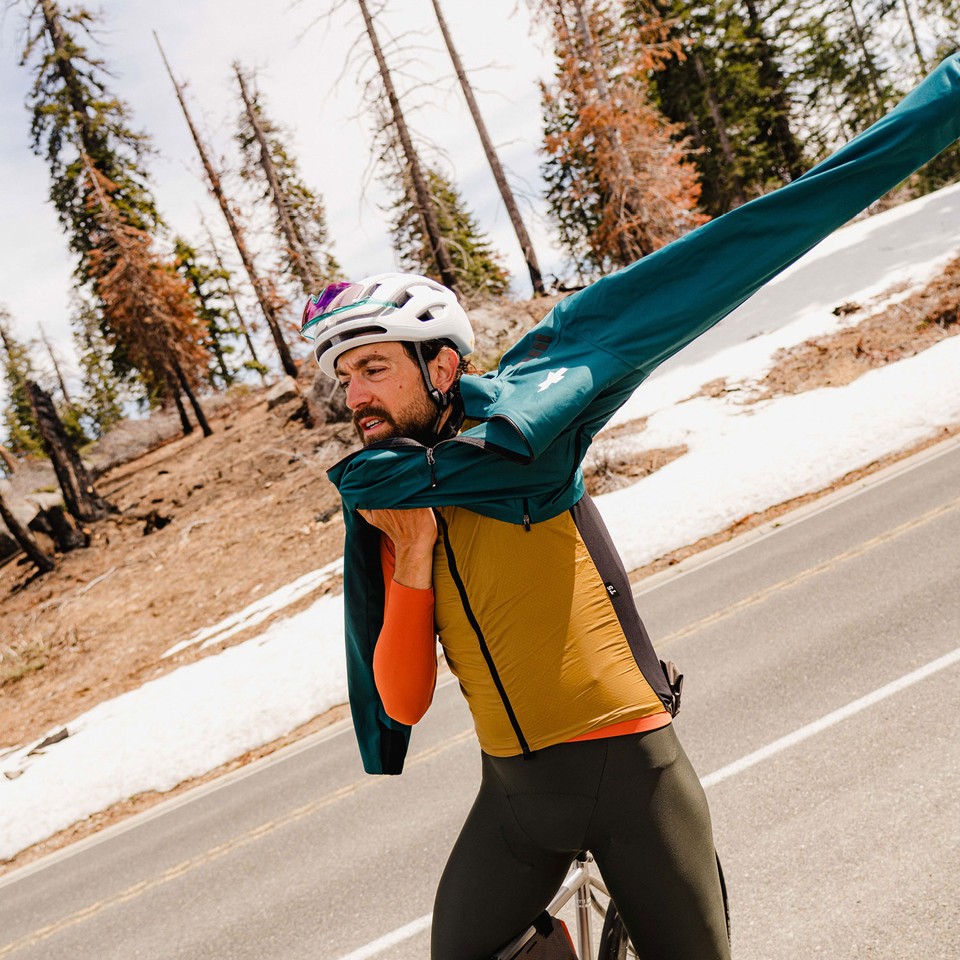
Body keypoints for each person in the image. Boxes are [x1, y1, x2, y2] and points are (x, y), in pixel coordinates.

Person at [304, 54, 960, 960]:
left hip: (630, 774)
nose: (356, 398)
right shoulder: (385, 505)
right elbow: (405, 702)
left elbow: (727, 256)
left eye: (373, 368)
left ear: (442, 366)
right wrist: (411, 559)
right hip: (514, 798)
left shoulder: (531, 434)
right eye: (346, 380)